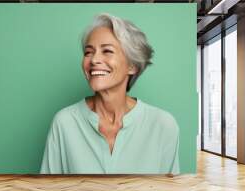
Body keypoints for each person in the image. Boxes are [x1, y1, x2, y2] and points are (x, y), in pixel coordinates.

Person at [40, 13, 179, 174]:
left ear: (132, 66)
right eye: (88, 52)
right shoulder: (64, 122)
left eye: (107, 51)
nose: (93, 60)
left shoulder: (163, 125)